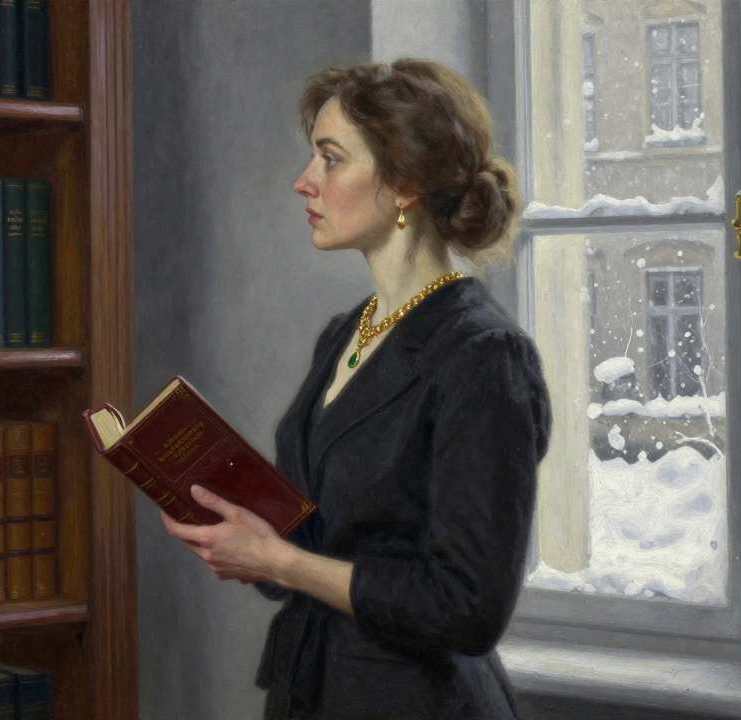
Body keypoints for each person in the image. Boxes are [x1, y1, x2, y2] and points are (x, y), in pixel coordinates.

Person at [160, 58, 553, 719]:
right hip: (313, 692)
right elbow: (315, 541)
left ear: (404, 184)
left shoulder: (484, 356)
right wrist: (248, 541)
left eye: (331, 159)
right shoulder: (345, 334)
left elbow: (467, 608)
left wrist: (280, 562)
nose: (304, 182)